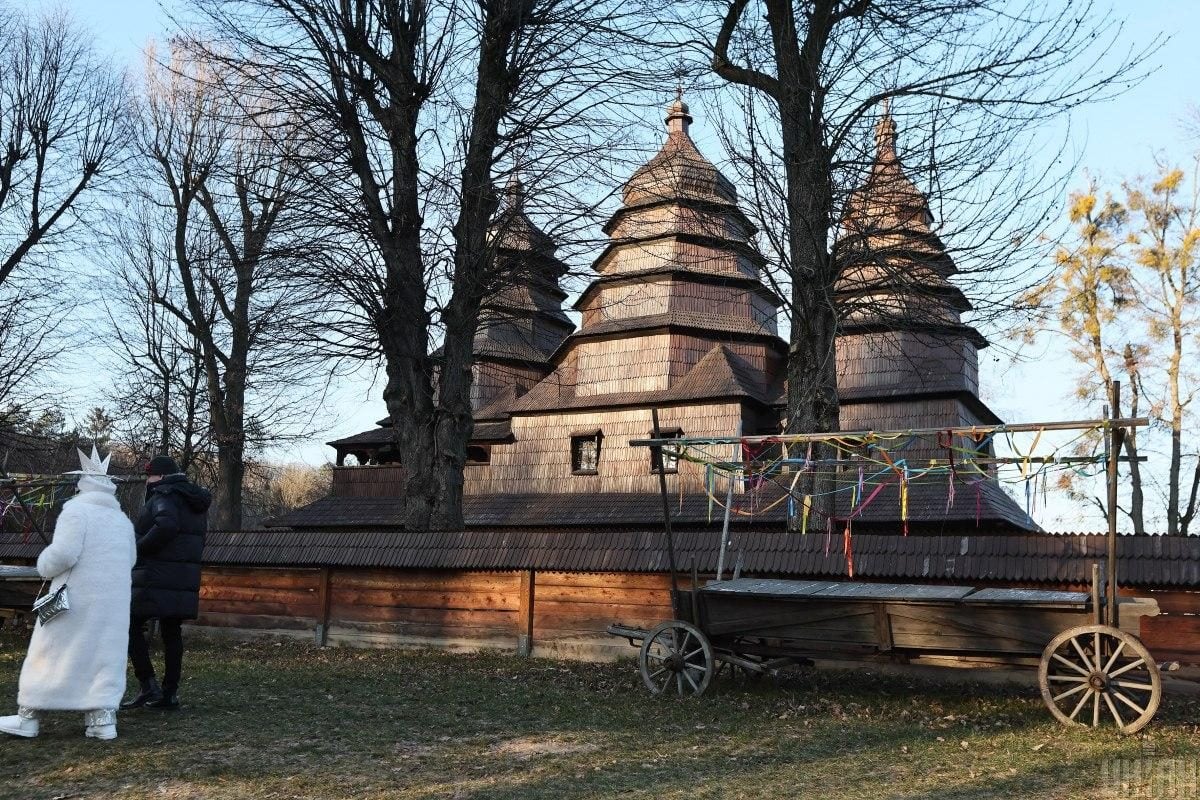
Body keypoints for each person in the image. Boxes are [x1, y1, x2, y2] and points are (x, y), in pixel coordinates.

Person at [0, 447, 137, 740]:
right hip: (113, 605)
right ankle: (102, 722)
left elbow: (63, 554)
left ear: (82, 484)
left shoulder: (76, 511)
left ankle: (28, 717)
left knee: (50, 652)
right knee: (103, 656)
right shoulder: (122, 521)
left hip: (74, 600)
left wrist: (44, 565)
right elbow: (131, 560)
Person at [121, 455, 210, 711]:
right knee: (172, 632)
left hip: (156, 574)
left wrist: (137, 549)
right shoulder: (193, 499)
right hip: (182, 576)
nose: (147, 481)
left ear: (160, 476)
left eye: (149, 476)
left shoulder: (165, 495)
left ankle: (148, 684)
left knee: (130, 624)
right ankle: (169, 694)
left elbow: (166, 526)